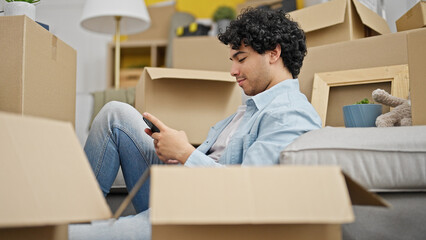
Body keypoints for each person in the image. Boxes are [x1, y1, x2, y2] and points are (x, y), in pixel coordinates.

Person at [69, 7, 321, 240]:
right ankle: (74, 218)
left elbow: (250, 193)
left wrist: (185, 152)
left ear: (274, 53)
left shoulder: (289, 112)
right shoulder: (252, 106)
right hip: (185, 190)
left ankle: (69, 230)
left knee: (70, 236)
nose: (233, 70)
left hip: (205, 215)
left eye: (241, 59)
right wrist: (176, 150)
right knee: (115, 114)